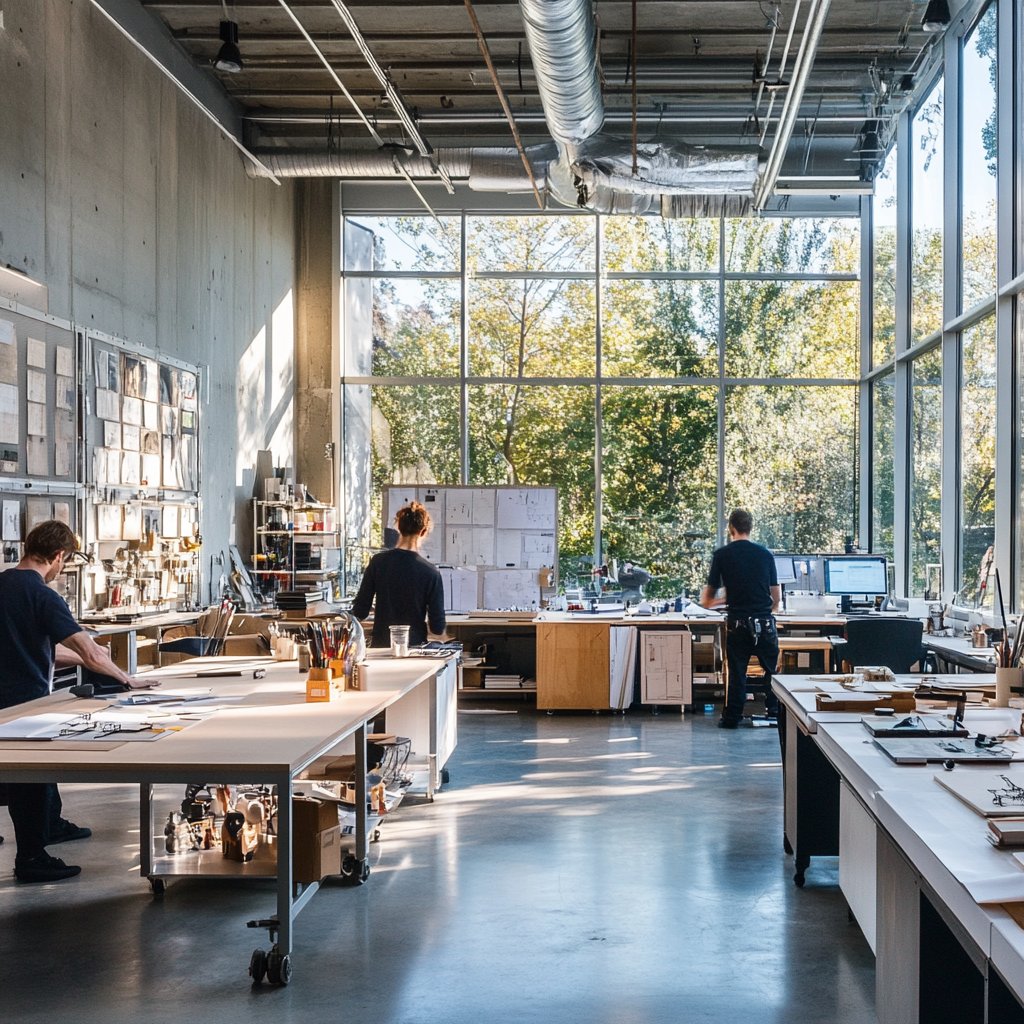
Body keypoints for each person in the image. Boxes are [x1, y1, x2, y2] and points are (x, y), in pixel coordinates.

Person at [0, 521, 155, 882]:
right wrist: (127, 678)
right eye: (65, 563)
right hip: (24, 704)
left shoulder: (3, 583)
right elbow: (85, 648)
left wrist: (88, 657)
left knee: (35, 776)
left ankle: (52, 825)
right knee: (31, 780)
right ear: (57, 556)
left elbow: (35, 644)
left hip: (4, 701)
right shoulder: (43, 595)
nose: (62, 570)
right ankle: (31, 859)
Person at [701, 508, 781, 729]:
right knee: (771, 671)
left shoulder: (722, 555)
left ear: (731, 529)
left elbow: (706, 601)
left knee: (737, 673)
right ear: (750, 528)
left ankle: (732, 717)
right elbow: (776, 597)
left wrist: (725, 599)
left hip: (738, 624)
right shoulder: (765, 554)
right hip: (764, 623)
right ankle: (775, 713)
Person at [352, 502, 446, 649]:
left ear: (398, 526)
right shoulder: (431, 573)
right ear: (423, 531)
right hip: (414, 649)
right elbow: (437, 628)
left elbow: (360, 611)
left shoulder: (378, 563)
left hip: (381, 648)